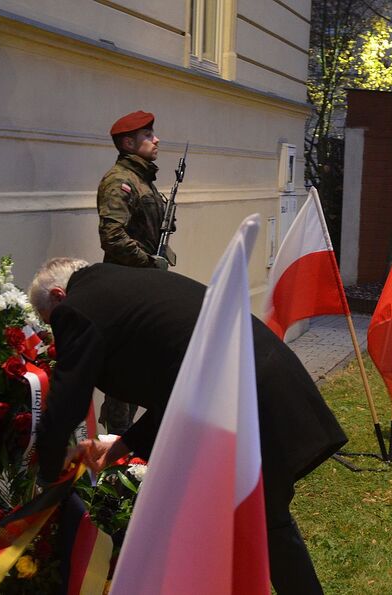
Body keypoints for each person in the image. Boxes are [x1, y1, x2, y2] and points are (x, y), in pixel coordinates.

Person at [29, 258, 347, 594]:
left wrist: (48, 479)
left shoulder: (78, 308)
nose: (56, 332)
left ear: (59, 296)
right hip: (251, 385)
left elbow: (67, 401)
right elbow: (177, 386)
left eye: (51, 323)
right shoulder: (118, 286)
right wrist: (120, 446)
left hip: (246, 395)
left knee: (265, 522)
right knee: (233, 520)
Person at [95, 110, 171, 434]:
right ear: (129, 142)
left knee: (145, 365)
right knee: (125, 372)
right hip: (127, 288)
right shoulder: (119, 181)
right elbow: (112, 237)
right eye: (148, 135)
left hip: (145, 286)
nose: (156, 140)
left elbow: (146, 230)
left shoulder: (144, 181)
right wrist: (149, 262)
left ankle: (134, 448)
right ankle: (116, 445)